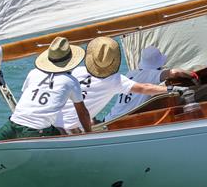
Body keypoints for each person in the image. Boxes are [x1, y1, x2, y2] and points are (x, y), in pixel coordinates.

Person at [57, 38, 187, 132]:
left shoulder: (130, 73)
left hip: (105, 120)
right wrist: (175, 87)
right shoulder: (127, 78)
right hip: (118, 124)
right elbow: (169, 75)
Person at [0, 37, 91, 141]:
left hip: (13, 125)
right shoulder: (71, 81)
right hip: (36, 131)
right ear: (69, 60)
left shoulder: (33, 72)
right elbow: (82, 113)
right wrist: (89, 133)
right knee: (62, 132)